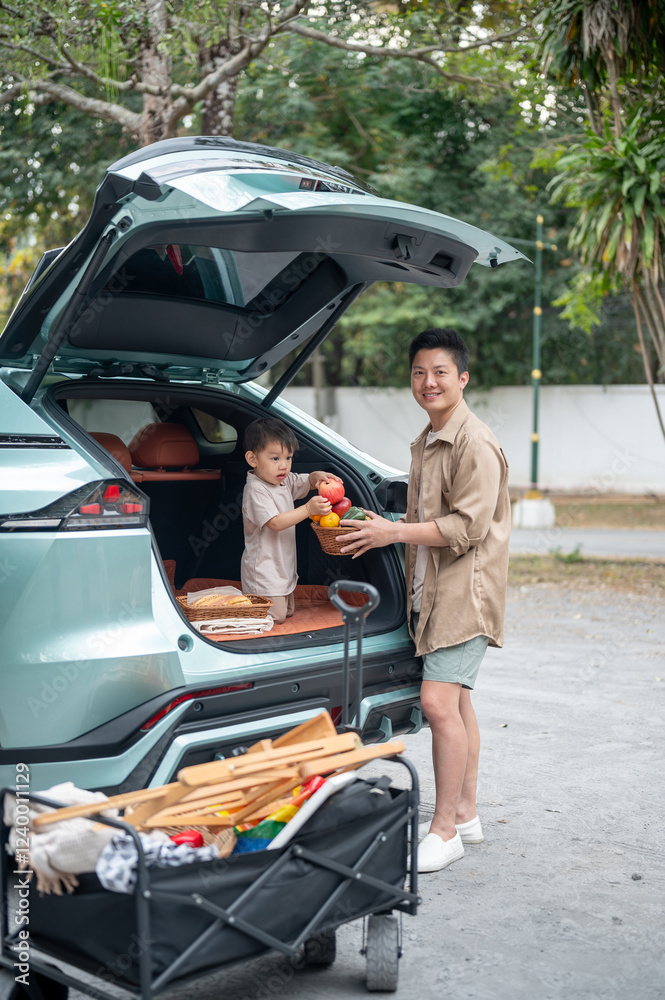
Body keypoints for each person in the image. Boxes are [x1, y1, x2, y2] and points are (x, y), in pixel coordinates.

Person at [339, 328, 510, 873]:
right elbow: (423, 519)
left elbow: (465, 527)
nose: (428, 382)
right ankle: (466, 814)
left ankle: (444, 831)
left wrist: (393, 536)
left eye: (440, 372)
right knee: (457, 703)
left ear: (463, 377)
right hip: (436, 591)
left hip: (466, 595)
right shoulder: (429, 437)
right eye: (419, 372)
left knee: (437, 705)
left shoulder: (473, 442)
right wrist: (386, 523)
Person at [241, 416, 341, 624]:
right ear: (252, 459)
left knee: (286, 612)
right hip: (264, 570)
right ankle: (237, 608)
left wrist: (318, 477)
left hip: (283, 568)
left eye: (288, 458)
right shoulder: (256, 490)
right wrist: (307, 509)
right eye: (275, 459)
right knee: (275, 617)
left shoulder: (283, 482)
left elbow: (307, 481)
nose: (283, 466)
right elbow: (275, 523)